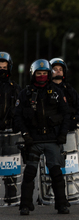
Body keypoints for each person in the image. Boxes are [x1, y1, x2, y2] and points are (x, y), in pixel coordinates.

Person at [14, 59, 70, 215]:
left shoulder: (57, 92)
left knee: (56, 172)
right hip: (33, 139)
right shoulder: (25, 94)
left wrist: (62, 134)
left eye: (45, 73)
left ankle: (61, 204)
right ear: (33, 74)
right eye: (39, 73)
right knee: (30, 172)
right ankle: (25, 205)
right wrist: (25, 135)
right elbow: (18, 116)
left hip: (53, 139)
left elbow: (66, 114)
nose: (42, 76)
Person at [0, 52, 22, 205]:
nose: (2, 70)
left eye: (4, 67)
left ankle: (11, 197)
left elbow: (21, 110)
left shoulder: (15, 88)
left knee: (10, 166)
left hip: (9, 133)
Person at [49, 58, 79, 131]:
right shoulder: (46, 90)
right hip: (51, 130)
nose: (58, 71)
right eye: (55, 69)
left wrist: (74, 119)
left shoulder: (70, 91)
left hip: (69, 130)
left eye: (61, 69)